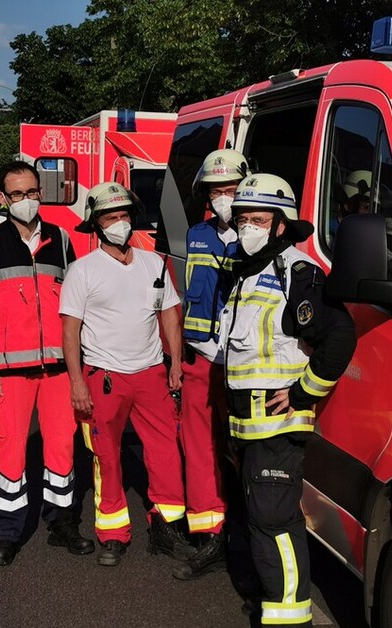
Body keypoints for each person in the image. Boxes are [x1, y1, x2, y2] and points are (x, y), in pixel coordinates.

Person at [219, 173, 356, 627]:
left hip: (276, 426)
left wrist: (301, 393)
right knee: (261, 519)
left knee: (275, 521)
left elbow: (339, 338)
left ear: (280, 224)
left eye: (258, 219)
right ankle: (272, 603)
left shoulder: (296, 274)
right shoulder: (248, 269)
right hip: (247, 426)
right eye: (242, 219)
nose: (247, 228)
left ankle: (290, 619)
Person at [0, 160, 93, 566]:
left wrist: (81, 364)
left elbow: (76, 305)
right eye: (16, 194)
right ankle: (8, 532)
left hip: (58, 368)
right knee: (11, 452)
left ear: (41, 192)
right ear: (3, 198)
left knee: (62, 450)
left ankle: (62, 523)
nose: (25, 200)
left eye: (32, 192)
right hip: (8, 372)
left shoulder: (61, 239)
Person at [59, 182, 193, 567]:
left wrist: (176, 363)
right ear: (96, 224)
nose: (119, 223)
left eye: (124, 216)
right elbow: (70, 328)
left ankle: (167, 525)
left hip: (151, 373)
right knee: (107, 456)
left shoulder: (153, 263)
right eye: (110, 217)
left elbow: (169, 312)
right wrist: (76, 381)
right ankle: (113, 533)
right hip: (104, 377)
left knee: (166, 450)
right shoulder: (83, 271)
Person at [173, 150, 248, 581]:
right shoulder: (196, 234)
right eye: (217, 191)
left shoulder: (259, 235)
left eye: (232, 189)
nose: (224, 198)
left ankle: (250, 535)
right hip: (201, 358)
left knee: (244, 450)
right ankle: (210, 537)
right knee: (199, 448)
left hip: (241, 363)